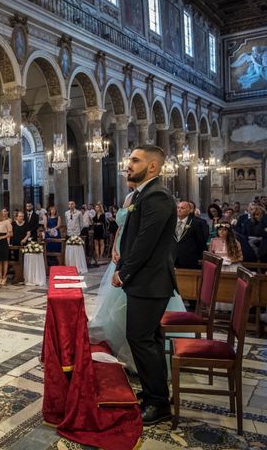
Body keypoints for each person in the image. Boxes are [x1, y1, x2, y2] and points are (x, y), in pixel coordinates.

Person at [112, 145, 177, 426]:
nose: (129, 165)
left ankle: (159, 404)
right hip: (145, 280)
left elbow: (145, 242)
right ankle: (156, 393)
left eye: (135, 161)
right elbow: (131, 235)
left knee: (140, 339)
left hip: (151, 281)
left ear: (152, 167)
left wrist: (124, 272)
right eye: (130, 160)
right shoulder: (144, 194)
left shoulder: (158, 196)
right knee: (149, 339)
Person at [90, 192, 186, 374]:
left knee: (137, 319)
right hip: (122, 249)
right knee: (119, 310)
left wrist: (126, 262)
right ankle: (124, 351)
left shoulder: (153, 197)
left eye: (135, 161)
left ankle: (142, 361)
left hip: (136, 259)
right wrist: (113, 249)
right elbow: (121, 227)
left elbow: (144, 235)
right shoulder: (128, 197)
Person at [175, 200, 208, 269]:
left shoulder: (195, 224)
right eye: (178, 208)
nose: (179, 210)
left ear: (189, 210)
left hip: (189, 260)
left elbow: (201, 243)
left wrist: (201, 258)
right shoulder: (171, 222)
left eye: (182, 208)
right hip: (172, 259)